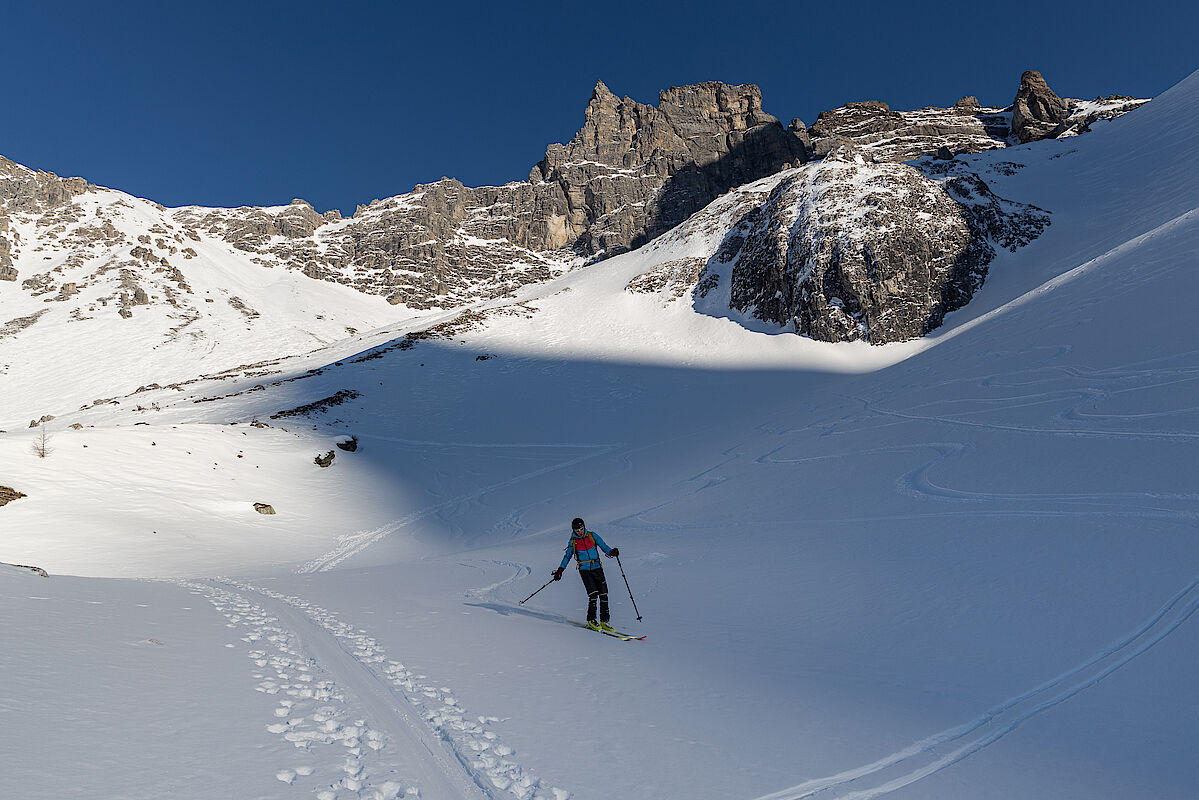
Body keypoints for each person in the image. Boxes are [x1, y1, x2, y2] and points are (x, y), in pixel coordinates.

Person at [552, 517, 619, 631]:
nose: (580, 532)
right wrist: (560, 570)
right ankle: (591, 620)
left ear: (584, 526)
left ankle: (604, 622)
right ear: (574, 530)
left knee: (604, 594)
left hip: (597, 568)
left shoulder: (592, 536)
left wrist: (612, 552)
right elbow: (567, 556)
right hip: (584, 570)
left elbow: (604, 546)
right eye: (577, 530)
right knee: (593, 594)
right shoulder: (573, 541)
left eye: (581, 529)